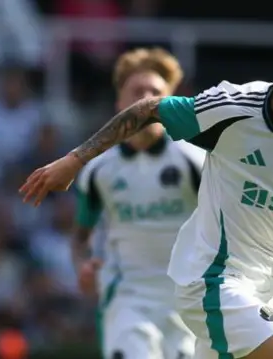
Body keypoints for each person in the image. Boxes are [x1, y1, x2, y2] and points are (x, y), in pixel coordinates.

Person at [19, 10, 273, 359]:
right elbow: (149, 110)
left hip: (260, 288)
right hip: (212, 282)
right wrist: (74, 161)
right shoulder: (233, 110)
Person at [71, 48, 201, 359]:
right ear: (119, 104)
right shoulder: (98, 170)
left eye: (155, 93)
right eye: (136, 93)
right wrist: (82, 267)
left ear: (170, 104)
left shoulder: (196, 162)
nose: (145, 102)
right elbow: (80, 238)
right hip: (126, 297)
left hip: (187, 300)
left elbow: (229, 227)